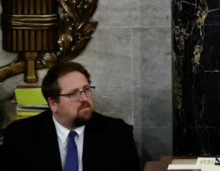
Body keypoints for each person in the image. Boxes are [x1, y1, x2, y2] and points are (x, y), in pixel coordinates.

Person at [0, 61, 140, 171]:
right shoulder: (20, 135)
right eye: (73, 94)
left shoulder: (117, 133)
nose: (84, 98)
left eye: (86, 90)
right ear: (53, 103)